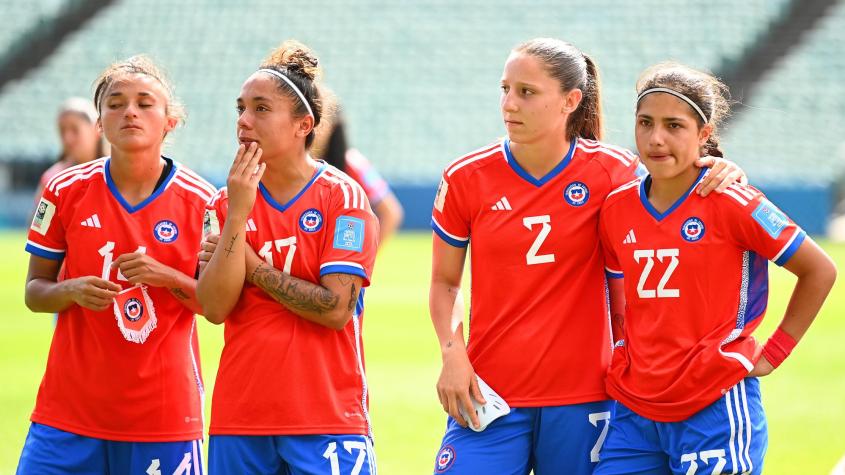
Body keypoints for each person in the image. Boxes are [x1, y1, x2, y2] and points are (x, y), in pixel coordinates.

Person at [429, 38, 746, 474]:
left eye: (526, 92)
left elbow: (679, 184)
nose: (509, 104)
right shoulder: (466, 177)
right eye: (505, 88)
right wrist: (452, 355)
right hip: (488, 393)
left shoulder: (615, 172)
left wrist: (721, 167)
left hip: (587, 398)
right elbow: (445, 282)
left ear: (570, 101)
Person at [594, 62, 837, 474]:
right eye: (645, 123)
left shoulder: (732, 201)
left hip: (714, 403)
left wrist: (774, 352)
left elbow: (820, 270)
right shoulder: (617, 208)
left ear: (704, 134)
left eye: (674, 126)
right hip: (635, 409)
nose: (656, 138)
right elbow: (616, 286)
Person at [18, 55, 214, 474]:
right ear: (100, 123)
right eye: (115, 103)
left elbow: (217, 306)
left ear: (170, 121)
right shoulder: (64, 190)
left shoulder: (203, 201)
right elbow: (35, 292)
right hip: (68, 414)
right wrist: (69, 291)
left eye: (145, 103)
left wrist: (167, 277)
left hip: (163, 417)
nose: (130, 111)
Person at [197, 40, 379, 474]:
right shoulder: (223, 205)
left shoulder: (343, 199)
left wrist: (254, 268)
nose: (243, 121)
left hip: (327, 419)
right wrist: (239, 211)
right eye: (240, 108)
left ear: (303, 125)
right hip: (239, 420)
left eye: (261, 109)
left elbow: (335, 308)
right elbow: (214, 307)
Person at [312, 103, 404, 248]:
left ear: (333, 126)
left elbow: (390, 212)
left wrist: (363, 258)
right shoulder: (292, 164)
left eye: (320, 122)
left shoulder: (353, 163)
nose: (313, 127)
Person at [34, 97, 107, 201]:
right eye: (62, 131)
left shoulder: (116, 173)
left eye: (75, 129)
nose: (67, 138)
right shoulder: (53, 179)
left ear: (96, 129)